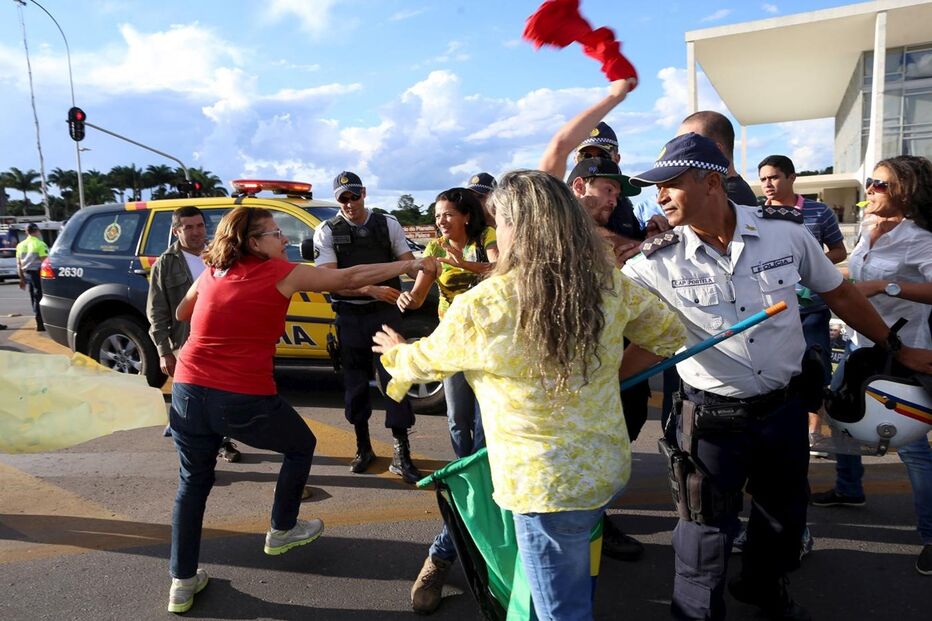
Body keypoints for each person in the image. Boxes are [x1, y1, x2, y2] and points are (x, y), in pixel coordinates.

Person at [620, 133, 932, 621]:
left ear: (710, 182)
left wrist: (897, 348)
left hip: (783, 412)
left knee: (783, 520)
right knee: (703, 535)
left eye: (670, 184)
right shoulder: (651, 263)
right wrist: (599, 390)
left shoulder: (784, 233)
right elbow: (641, 342)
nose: (658, 197)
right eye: (656, 188)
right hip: (711, 421)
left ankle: (764, 590)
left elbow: (841, 296)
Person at [374, 169, 686, 620]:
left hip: (540, 485)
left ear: (517, 227)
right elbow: (668, 332)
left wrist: (396, 352)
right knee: (574, 579)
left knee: (561, 609)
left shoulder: (487, 304)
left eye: (499, 221)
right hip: (601, 470)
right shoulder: (606, 284)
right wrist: (610, 376)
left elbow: (424, 364)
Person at [166, 206, 437, 613]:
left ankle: (181, 583)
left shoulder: (212, 272)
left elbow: (181, 312)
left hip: (187, 392)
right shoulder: (280, 273)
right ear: (253, 243)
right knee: (300, 445)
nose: (285, 241)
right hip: (240, 395)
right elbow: (346, 277)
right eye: (276, 234)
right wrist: (413, 262)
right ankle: (282, 528)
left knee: (192, 485)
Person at [538, 79, 660, 563]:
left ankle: (592, 519)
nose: (610, 192)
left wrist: (647, 241)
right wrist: (613, 95)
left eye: (614, 177)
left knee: (621, 430)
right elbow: (559, 150)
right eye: (598, 176)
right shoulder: (553, 211)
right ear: (576, 180)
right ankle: (579, 530)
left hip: (618, 345)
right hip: (563, 351)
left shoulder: (628, 205)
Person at [810, 155, 932, 577]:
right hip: (861, 346)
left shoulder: (920, 239)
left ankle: (931, 537)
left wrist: (887, 284)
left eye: (879, 184)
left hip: (905, 354)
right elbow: (852, 274)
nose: (870, 190)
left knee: (914, 450)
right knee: (840, 415)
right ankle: (848, 488)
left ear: (906, 191)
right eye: (870, 182)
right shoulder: (870, 228)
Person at [397, 187, 498, 613]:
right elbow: (419, 293)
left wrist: (467, 264)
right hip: (453, 346)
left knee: (488, 436)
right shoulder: (436, 248)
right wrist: (404, 297)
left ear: (467, 216)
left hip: (493, 349)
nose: (439, 221)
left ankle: (447, 544)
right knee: (460, 423)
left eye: (446, 215)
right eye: (436, 215)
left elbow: (500, 271)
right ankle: (465, 479)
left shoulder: (488, 239)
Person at [313, 171, 423, 484]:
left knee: (395, 383)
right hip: (350, 317)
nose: (350, 203)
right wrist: (370, 289)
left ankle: (402, 450)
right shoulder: (327, 231)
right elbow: (328, 280)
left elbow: (408, 261)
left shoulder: (387, 224)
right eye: (343, 198)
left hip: (385, 317)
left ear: (364, 193)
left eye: (354, 195)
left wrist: (419, 283)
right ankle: (363, 446)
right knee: (355, 388)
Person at [146, 207, 241, 462]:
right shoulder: (166, 263)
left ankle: (223, 442)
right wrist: (164, 352)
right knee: (189, 405)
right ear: (176, 230)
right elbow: (156, 311)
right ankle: (190, 456)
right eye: (189, 227)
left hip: (221, 341)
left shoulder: (218, 255)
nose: (197, 231)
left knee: (220, 395)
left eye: (200, 225)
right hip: (186, 344)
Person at [15, 223, 48, 332]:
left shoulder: (20, 245)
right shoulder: (40, 244)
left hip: (27, 274)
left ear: (26, 232)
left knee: (33, 298)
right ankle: (41, 323)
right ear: (37, 231)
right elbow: (45, 262)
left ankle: (37, 320)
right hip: (38, 274)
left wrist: (21, 279)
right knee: (40, 297)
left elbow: (19, 263)